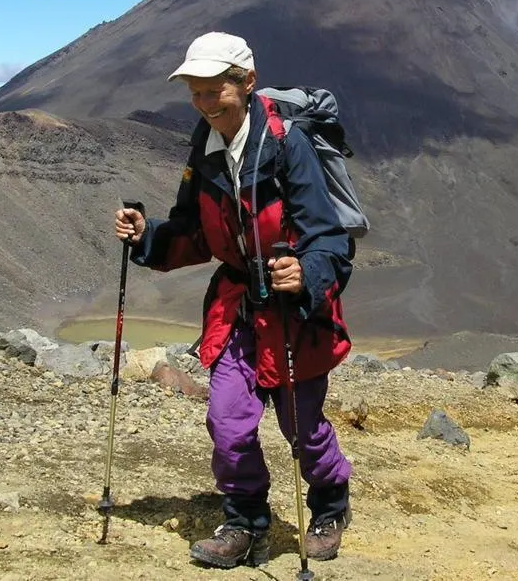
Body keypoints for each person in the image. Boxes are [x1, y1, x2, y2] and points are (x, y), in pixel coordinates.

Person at [114, 31, 354, 568]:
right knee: (226, 419)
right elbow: (196, 231)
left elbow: (330, 238)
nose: (203, 103)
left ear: (247, 82)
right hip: (240, 307)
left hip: (295, 312)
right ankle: (245, 521)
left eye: (213, 90)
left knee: (304, 428)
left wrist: (305, 271)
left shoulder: (288, 145)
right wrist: (146, 236)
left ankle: (331, 504)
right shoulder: (206, 145)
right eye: (195, 93)